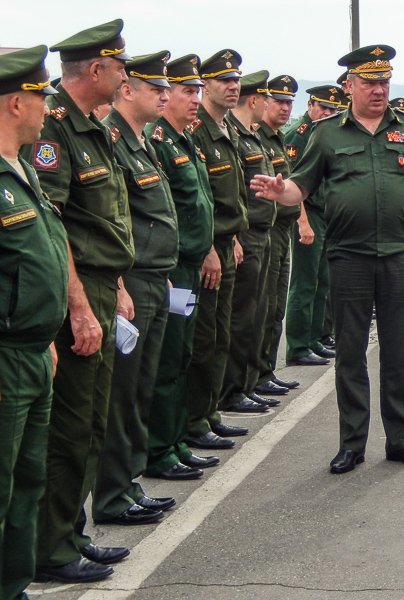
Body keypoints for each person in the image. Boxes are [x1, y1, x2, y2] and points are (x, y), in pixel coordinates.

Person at [251, 44, 404, 475]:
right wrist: (277, 191)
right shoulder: (327, 134)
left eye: (384, 82)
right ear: (350, 85)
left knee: (399, 352)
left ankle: (401, 440)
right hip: (348, 258)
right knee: (351, 354)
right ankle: (352, 443)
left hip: (398, 257)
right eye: (369, 82)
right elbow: (298, 188)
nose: (378, 90)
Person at [26, 19, 135, 584]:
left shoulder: (96, 127)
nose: (124, 77)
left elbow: (105, 219)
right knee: (69, 427)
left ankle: (71, 531)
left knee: (91, 422)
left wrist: (114, 287)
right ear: (95, 69)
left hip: (99, 284)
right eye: (119, 67)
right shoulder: (56, 130)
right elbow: (56, 223)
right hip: (77, 291)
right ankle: (50, 547)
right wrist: (80, 304)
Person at [92, 51, 178, 528]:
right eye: (156, 88)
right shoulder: (112, 141)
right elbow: (113, 220)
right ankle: (111, 497)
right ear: (128, 91)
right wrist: (122, 281)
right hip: (130, 283)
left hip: (152, 278)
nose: (164, 96)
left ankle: (128, 484)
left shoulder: (142, 142)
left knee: (140, 389)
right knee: (122, 395)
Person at [0, 45, 68, 600]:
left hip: (31, 350)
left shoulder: (21, 169)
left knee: (26, 482)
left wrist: (43, 335)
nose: (47, 108)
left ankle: (14, 585)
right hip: (3, 358)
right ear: (16, 103)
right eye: (41, 98)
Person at [144, 54, 220, 480]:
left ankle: (176, 441)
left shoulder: (181, 140)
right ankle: (159, 450)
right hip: (172, 269)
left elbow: (197, 206)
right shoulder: (157, 140)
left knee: (184, 355)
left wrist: (206, 248)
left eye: (196, 91)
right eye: (187, 91)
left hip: (190, 267)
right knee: (168, 361)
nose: (195, 99)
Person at [183, 49, 252, 450]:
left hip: (228, 242)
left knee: (221, 333)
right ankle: (195, 421)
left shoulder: (227, 131)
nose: (232, 86)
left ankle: (210, 412)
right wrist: (210, 245)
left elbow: (231, 195)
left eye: (235, 79)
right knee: (204, 339)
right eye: (223, 80)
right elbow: (198, 200)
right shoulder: (198, 132)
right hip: (207, 248)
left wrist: (234, 238)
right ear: (205, 84)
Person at [218, 70, 280, 411]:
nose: (272, 105)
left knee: (256, 314)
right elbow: (234, 193)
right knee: (240, 318)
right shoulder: (237, 137)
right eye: (269, 99)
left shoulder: (248, 136)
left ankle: (247, 381)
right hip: (246, 235)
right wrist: (236, 236)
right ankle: (233, 390)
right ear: (254, 100)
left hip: (261, 232)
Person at [282, 84, 346, 367]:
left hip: (324, 212)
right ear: (310, 106)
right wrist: (303, 222)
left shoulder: (325, 130)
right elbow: (294, 182)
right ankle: (297, 346)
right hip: (307, 213)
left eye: (333, 109)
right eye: (323, 107)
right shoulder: (300, 133)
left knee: (322, 280)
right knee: (305, 282)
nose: (328, 113)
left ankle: (314, 339)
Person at [254, 74, 309, 394]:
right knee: (261, 308)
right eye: (279, 102)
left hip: (280, 230)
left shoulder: (274, 137)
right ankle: (254, 376)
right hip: (265, 231)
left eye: (290, 102)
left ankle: (265, 370)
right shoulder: (259, 136)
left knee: (274, 307)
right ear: (262, 102)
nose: (286, 108)